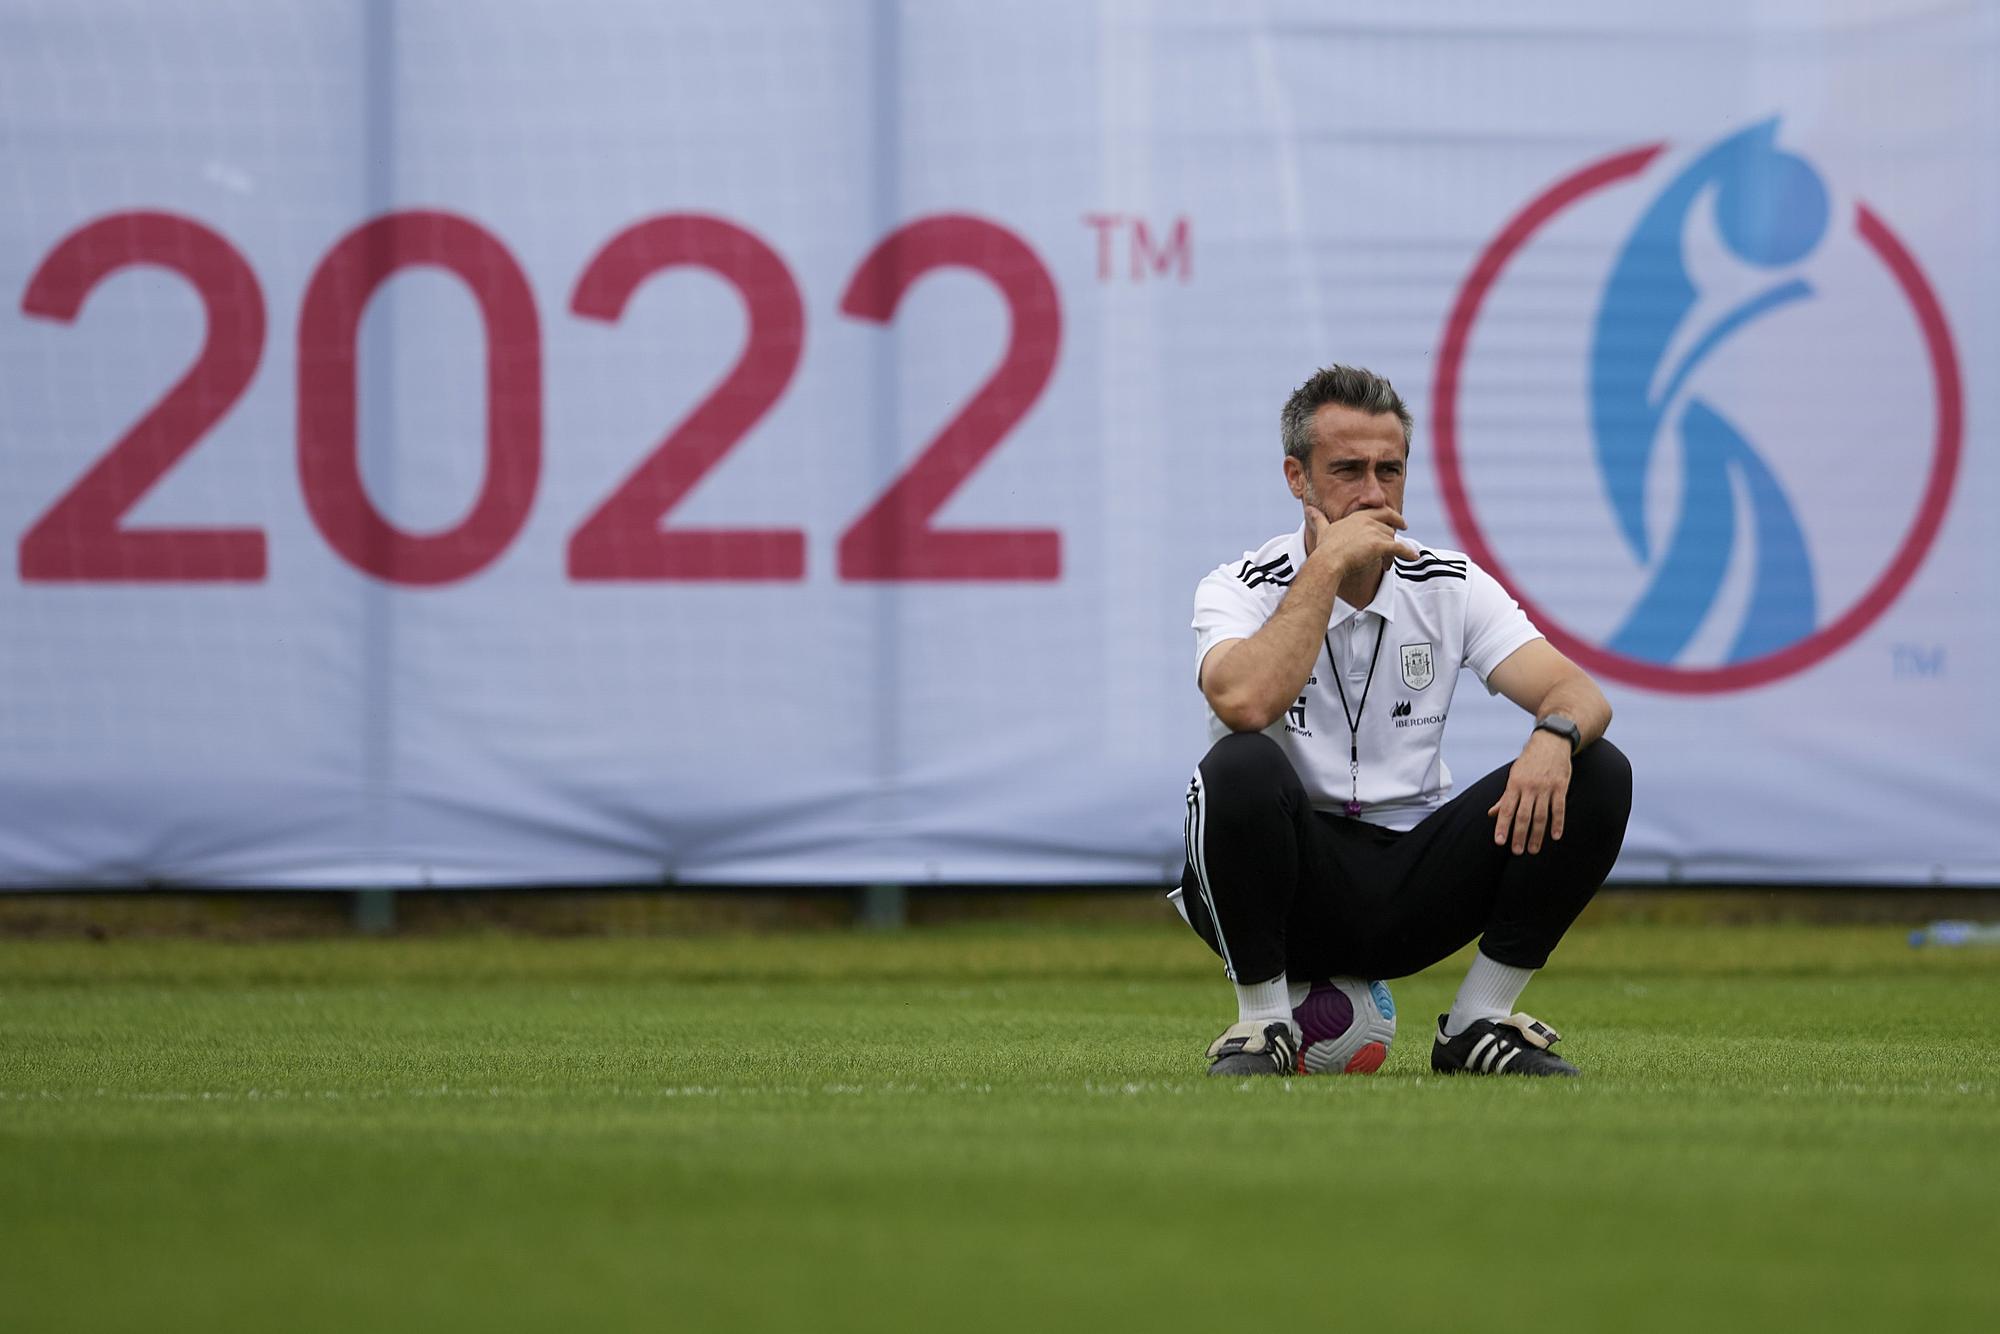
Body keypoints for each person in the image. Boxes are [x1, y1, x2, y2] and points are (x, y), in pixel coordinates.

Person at [1172, 364, 1632, 1078]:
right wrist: (1326, 570)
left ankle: (1479, 1024)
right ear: (1297, 478)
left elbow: (1579, 692)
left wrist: (1554, 736)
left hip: (1412, 880)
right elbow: (1243, 703)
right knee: (1239, 764)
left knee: (1597, 767)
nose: (1373, 494)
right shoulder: (1238, 585)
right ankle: (1264, 1025)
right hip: (1283, 886)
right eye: (1347, 470)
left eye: (1390, 470)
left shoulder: (1448, 581)